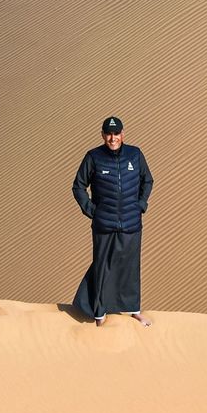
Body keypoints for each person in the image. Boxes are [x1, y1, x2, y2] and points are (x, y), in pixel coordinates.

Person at [71, 115, 154, 326]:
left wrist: (141, 205)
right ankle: (100, 314)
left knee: (130, 268)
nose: (112, 138)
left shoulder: (135, 155)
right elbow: (78, 186)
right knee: (102, 268)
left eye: (116, 133)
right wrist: (92, 211)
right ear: (102, 135)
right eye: (108, 134)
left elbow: (147, 180)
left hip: (131, 223)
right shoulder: (94, 157)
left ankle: (134, 310)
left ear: (123, 134)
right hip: (104, 225)